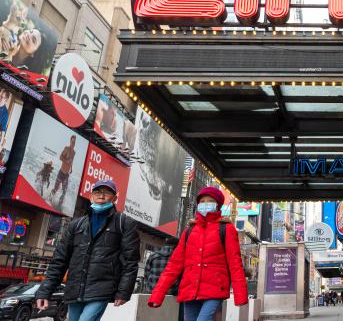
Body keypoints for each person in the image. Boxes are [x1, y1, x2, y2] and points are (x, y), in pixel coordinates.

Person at [36, 179, 140, 321]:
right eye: (97, 192)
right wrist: (44, 291)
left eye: (106, 193)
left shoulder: (125, 223)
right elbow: (59, 260)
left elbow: (131, 261)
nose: (101, 196)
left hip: (102, 289)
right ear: (91, 196)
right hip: (75, 289)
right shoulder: (76, 225)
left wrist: (123, 292)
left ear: (115, 198)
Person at [148, 187, 248, 320]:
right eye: (202, 201)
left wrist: (240, 295)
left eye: (210, 201)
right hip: (190, 290)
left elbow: (235, 264)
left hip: (215, 290)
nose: (205, 204)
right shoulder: (189, 230)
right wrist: (157, 294)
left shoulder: (227, 229)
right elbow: (174, 265)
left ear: (218, 205)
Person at [51, 135, 76, 207]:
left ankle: (59, 204)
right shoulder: (66, 148)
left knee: (64, 191)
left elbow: (71, 161)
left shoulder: (74, 152)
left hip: (66, 175)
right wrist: (66, 161)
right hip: (61, 172)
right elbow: (60, 157)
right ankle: (50, 198)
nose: (73, 143)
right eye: (72, 141)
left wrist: (71, 168)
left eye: (74, 142)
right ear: (70, 141)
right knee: (56, 188)